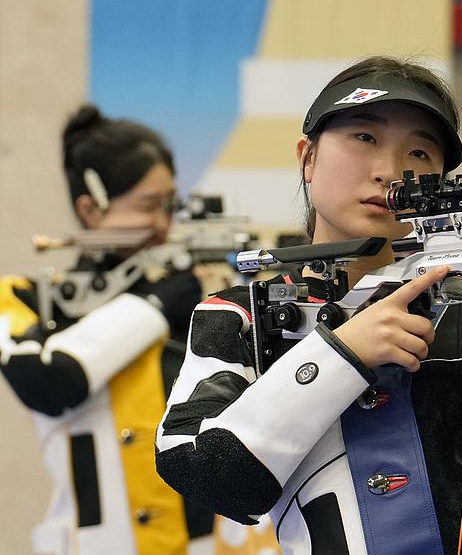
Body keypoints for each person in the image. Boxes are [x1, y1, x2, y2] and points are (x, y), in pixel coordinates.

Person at [155, 56, 462, 554]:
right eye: (364, 137)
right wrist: (341, 354)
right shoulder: (243, 314)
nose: (390, 171)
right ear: (308, 157)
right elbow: (206, 473)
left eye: (421, 153)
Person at [0, 105, 275, 555]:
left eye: (170, 205)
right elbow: (49, 380)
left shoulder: (197, 298)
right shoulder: (23, 297)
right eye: (149, 206)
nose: (164, 226)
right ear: (91, 209)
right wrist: (157, 305)